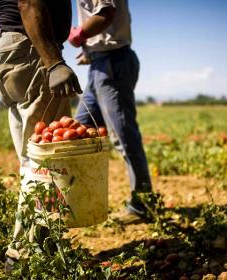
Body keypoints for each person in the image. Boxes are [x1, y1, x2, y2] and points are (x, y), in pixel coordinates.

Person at [0, 0, 82, 269]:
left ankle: (35, 247)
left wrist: (3, 42)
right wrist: (53, 62)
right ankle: (26, 254)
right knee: (48, 161)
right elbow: (29, 1)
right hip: (30, 48)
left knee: (32, 158)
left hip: (3, 50)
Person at [68, 0, 153, 223]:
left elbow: (105, 14)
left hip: (112, 63)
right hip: (100, 63)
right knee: (79, 132)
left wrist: (79, 35)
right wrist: (91, 51)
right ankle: (81, 201)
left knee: (124, 137)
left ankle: (143, 206)